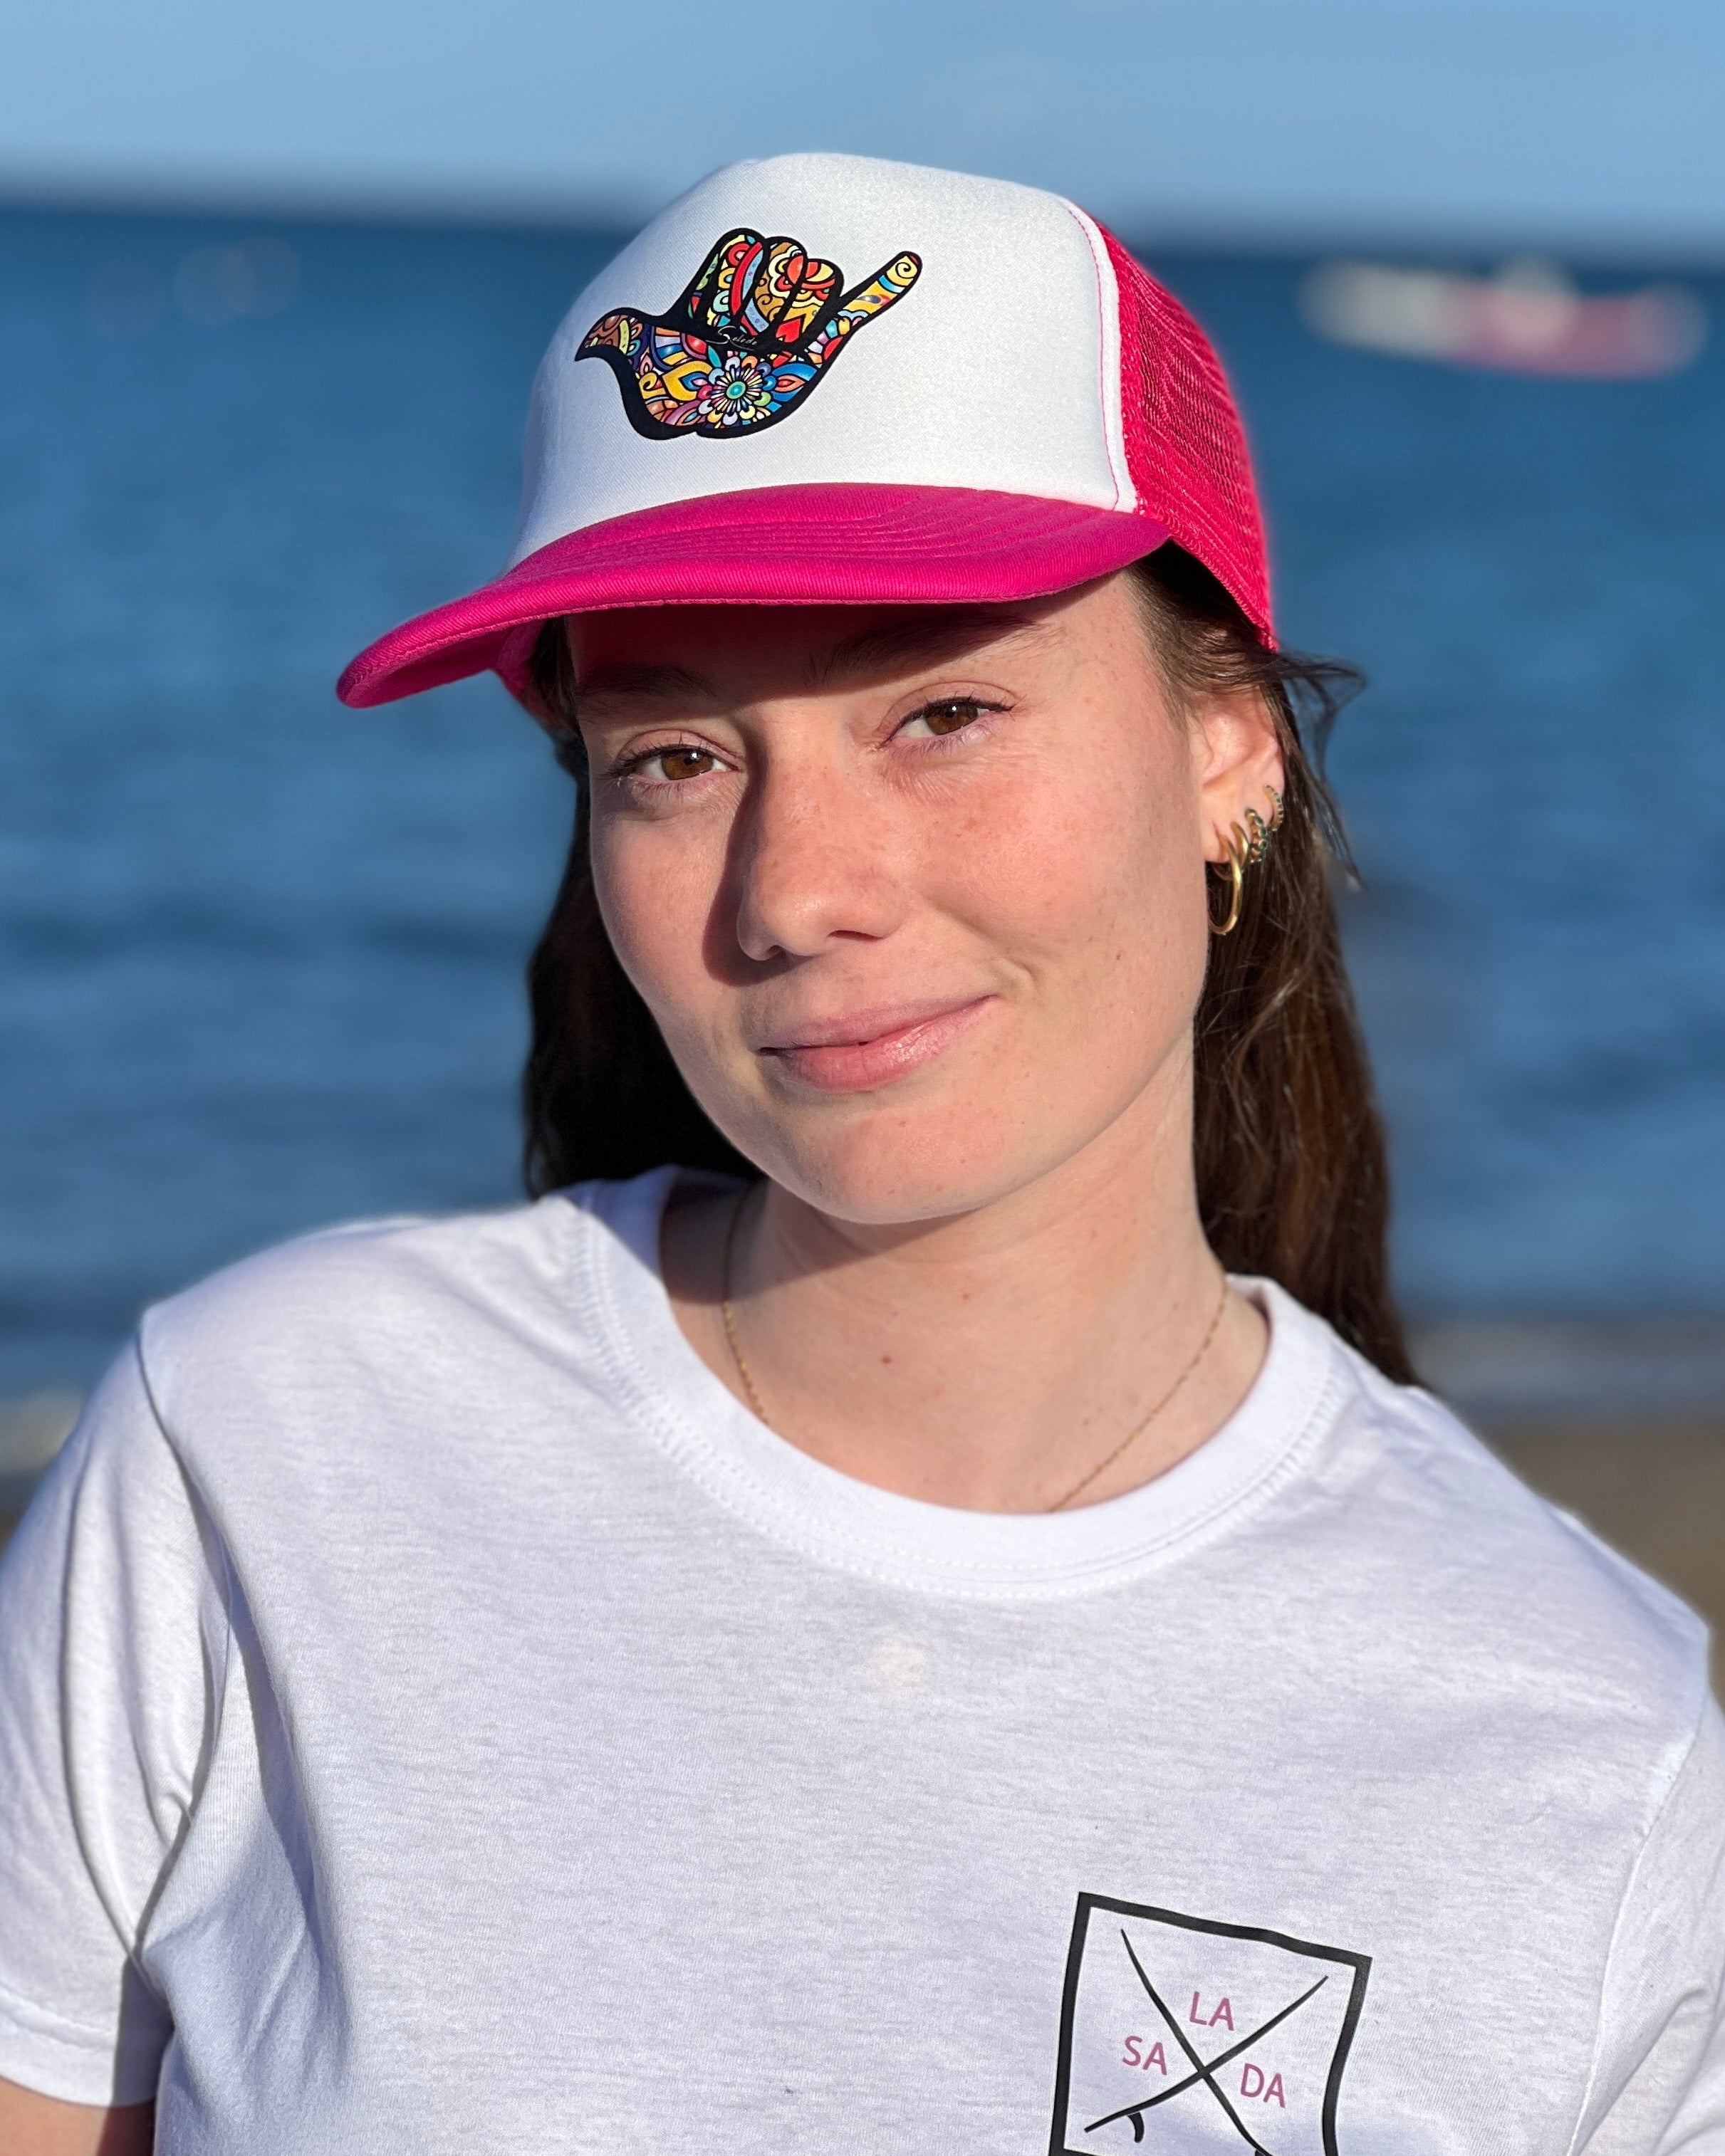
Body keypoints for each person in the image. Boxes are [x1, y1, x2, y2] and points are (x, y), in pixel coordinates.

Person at [1, 152, 1719, 2156]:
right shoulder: (261, 1456)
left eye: (945, 711)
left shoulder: (1589, 1754)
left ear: (1230, 749)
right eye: (673, 758)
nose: (797, 890)